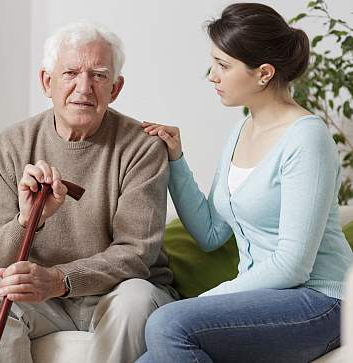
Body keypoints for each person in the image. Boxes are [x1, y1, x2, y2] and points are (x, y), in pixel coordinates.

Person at [137, 3, 353, 363]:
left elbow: (293, 264)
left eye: (223, 65)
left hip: (321, 302)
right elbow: (210, 232)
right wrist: (175, 160)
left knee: (169, 324)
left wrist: (208, 299)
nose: (212, 75)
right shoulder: (242, 130)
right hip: (267, 300)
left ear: (263, 73)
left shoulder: (306, 138)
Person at [0, 21, 178, 363]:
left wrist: (60, 279)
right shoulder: (11, 145)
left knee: (136, 297)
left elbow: (136, 254)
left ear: (115, 89)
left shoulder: (142, 147)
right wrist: (27, 219)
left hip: (115, 297)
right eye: (71, 73)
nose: (84, 87)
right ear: (47, 81)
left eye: (99, 75)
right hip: (43, 303)